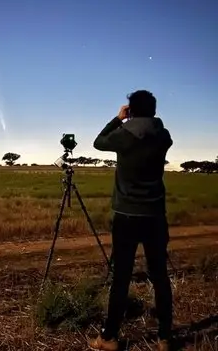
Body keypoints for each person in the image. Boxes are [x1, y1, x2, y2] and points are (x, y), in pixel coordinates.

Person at [88, 90, 174, 351]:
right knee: (160, 276)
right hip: (155, 216)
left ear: (131, 111)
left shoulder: (124, 136)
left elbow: (98, 142)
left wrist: (118, 119)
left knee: (121, 277)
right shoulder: (164, 136)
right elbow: (153, 129)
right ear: (155, 111)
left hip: (126, 216)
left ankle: (109, 337)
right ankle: (165, 338)